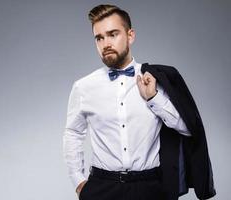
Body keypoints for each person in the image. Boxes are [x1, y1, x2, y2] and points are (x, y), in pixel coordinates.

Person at [63, 4, 215, 200]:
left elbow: (188, 129)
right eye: (99, 38)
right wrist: (78, 182)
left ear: (130, 35)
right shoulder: (83, 87)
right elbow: (73, 133)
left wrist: (154, 98)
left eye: (112, 34)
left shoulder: (157, 80)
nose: (105, 43)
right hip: (102, 188)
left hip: (151, 187)